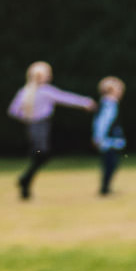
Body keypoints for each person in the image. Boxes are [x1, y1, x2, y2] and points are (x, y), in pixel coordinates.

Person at [9, 62, 95, 200]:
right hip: (40, 126)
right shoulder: (44, 91)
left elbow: (13, 111)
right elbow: (66, 98)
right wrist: (85, 102)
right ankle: (25, 180)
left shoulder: (24, 91)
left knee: (39, 156)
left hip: (34, 127)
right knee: (42, 154)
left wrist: (26, 118)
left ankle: (25, 184)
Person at [92, 77, 127, 197]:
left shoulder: (106, 103)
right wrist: (99, 138)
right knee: (110, 164)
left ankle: (106, 188)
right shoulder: (109, 104)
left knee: (110, 164)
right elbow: (102, 122)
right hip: (108, 141)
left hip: (109, 140)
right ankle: (105, 189)